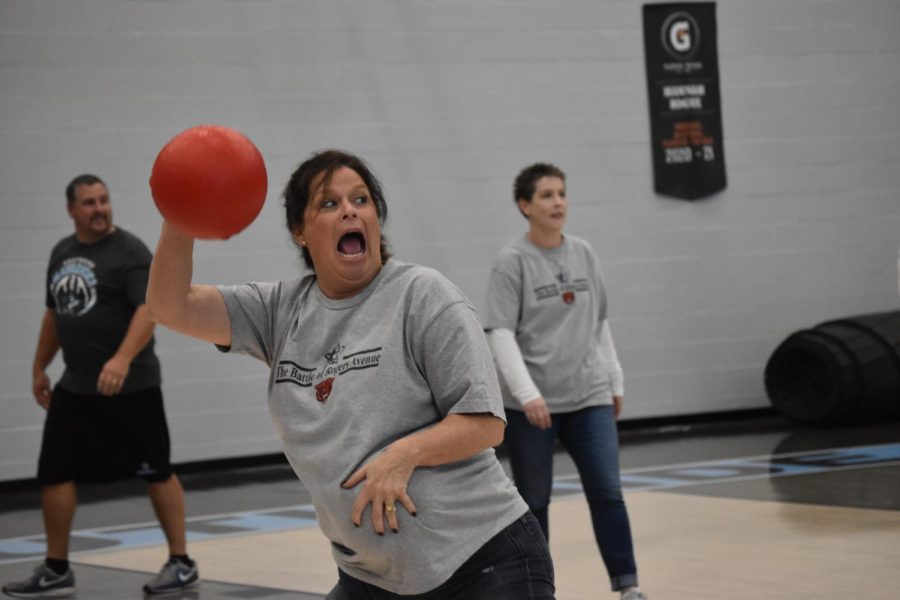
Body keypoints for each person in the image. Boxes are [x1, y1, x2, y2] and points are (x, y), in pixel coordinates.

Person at [145, 149, 555, 599]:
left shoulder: (424, 295)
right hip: (373, 579)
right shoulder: (278, 311)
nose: (348, 211)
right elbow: (170, 307)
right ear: (300, 232)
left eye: (360, 200)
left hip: (484, 562)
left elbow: (487, 424)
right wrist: (180, 212)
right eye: (328, 203)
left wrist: (405, 454)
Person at [2, 175, 199, 599]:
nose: (99, 209)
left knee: (156, 471)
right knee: (54, 473)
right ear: (72, 210)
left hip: (132, 387)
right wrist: (39, 367)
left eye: (104, 200)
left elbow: (151, 308)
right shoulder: (62, 252)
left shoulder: (129, 252)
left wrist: (122, 358)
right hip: (76, 386)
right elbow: (54, 315)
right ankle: (56, 568)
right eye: (89, 203)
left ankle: (181, 562)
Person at [484, 163, 648, 600]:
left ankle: (628, 585)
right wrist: (528, 394)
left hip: (589, 395)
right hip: (534, 406)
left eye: (561, 193)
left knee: (608, 493)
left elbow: (600, 323)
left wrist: (615, 381)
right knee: (534, 504)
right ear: (525, 205)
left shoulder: (584, 253)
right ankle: (538, 592)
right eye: (546, 195)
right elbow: (500, 333)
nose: (558, 202)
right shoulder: (511, 263)